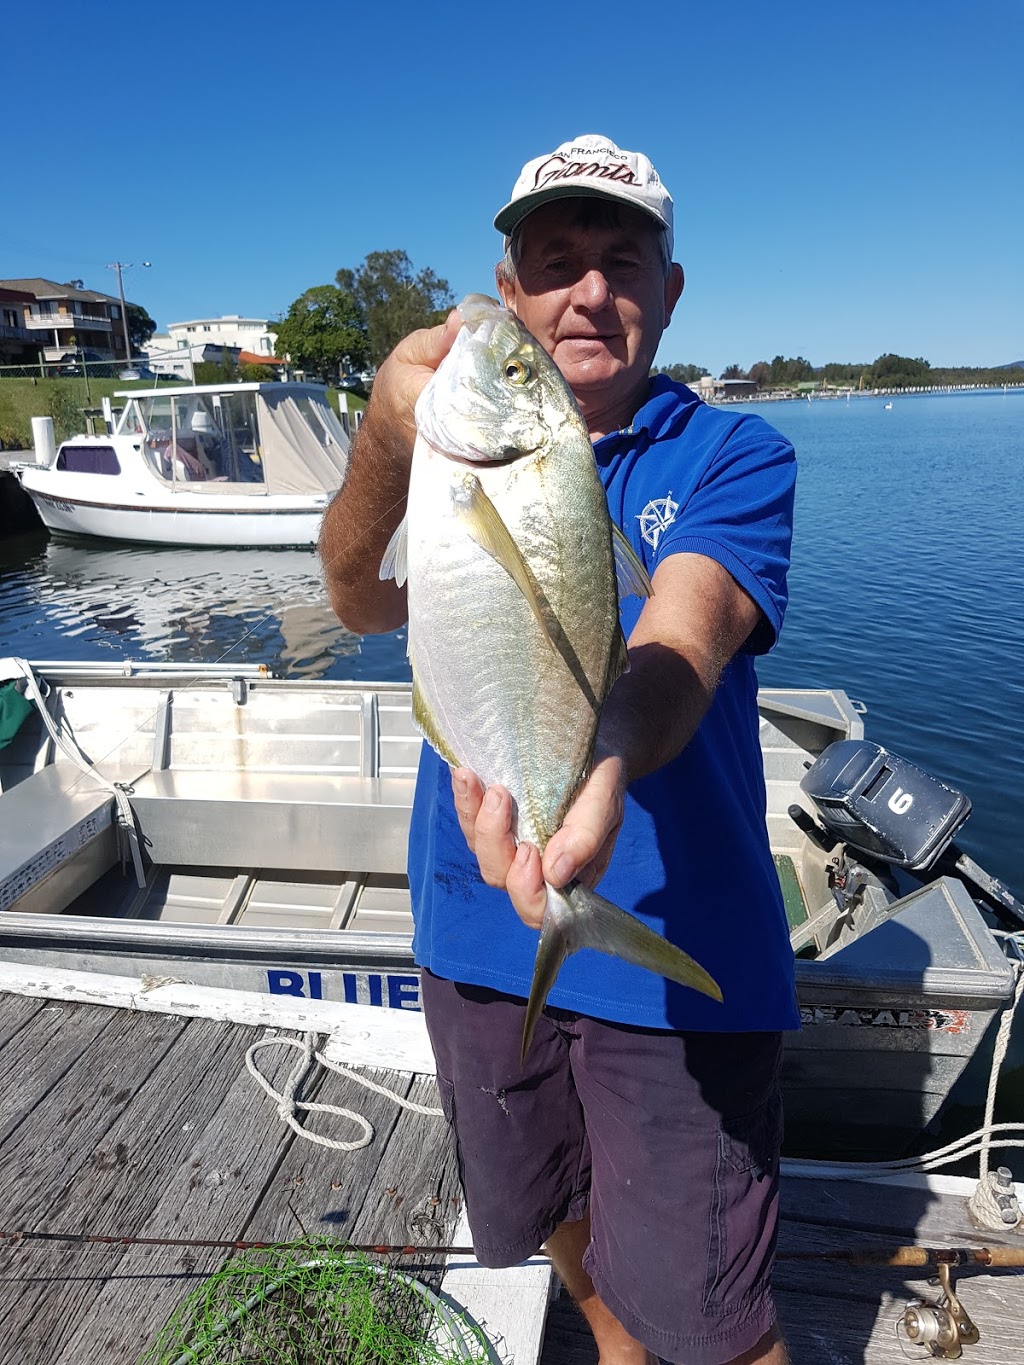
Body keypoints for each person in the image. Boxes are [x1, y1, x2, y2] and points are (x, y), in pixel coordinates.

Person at [320, 134, 798, 1365]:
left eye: (622, 261)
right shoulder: (438, 447)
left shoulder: (734, 457)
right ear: (513, 285)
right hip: (477, 932)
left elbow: (684, 636)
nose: (589, 291)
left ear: (670, 290)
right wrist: (385, 430)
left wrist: (596, 774)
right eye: (556, 262)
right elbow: (361, 600)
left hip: (675, 957)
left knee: (719, 1325)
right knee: (557, 1223)